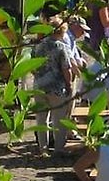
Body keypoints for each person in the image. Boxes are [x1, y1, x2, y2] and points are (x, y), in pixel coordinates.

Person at [31, 19, 76, 156]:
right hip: (57, 87)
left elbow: (31, 66)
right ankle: (58, 148)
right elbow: (66, 69)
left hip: (39, 86)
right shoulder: (61, 47)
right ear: (62, 31)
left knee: (41, 119)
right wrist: (68, 84)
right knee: (58, 119)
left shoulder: (37, 46)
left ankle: (42, 148)